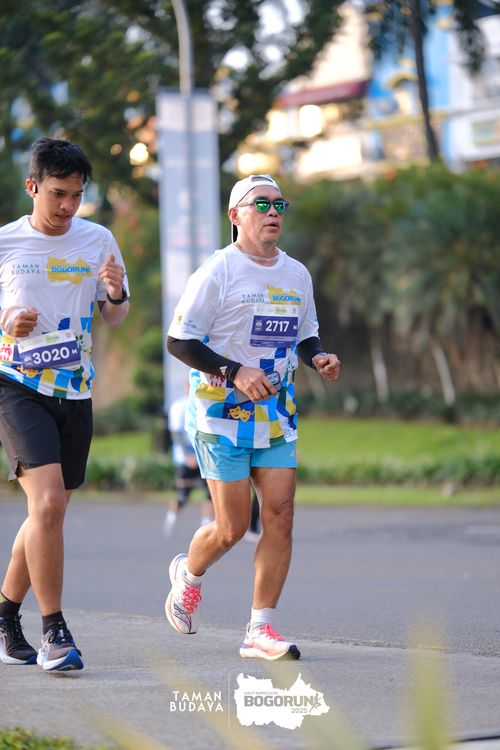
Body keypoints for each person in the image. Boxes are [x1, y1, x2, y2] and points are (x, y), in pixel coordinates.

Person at [165, 173, 340, 661]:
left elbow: (305, 333)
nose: (273, 213)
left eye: (280, 205)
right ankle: (189, 576)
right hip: (220, 414)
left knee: (280, 515)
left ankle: (260, 629)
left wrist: (318, 357)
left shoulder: (296, 274)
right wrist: (234, 370)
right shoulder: (218, 271)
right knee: (232, 527)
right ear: (235, 215)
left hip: (276, 413)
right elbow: (179, 341)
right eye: (261, 204)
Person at [0, 138, 130, 672]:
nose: (68, 206)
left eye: (77, 195)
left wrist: (115, 295)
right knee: (49, 504)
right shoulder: (5, 243)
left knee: (46, 514)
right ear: (32, 186)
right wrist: (8, 323)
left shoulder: (98, 240)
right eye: (58, 194)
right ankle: (55, 632)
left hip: (75, 390)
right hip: (16, 385)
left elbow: (114, 316)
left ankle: (4, 616)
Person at [163, 389, 213, 537]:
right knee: (183, 495)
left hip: (204, 456)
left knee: (210, 493)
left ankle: (206, 524)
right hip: (185, 458)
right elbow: (176, 433)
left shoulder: (205, 401)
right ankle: (171, 518)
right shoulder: (179, 406)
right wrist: (188, 455)